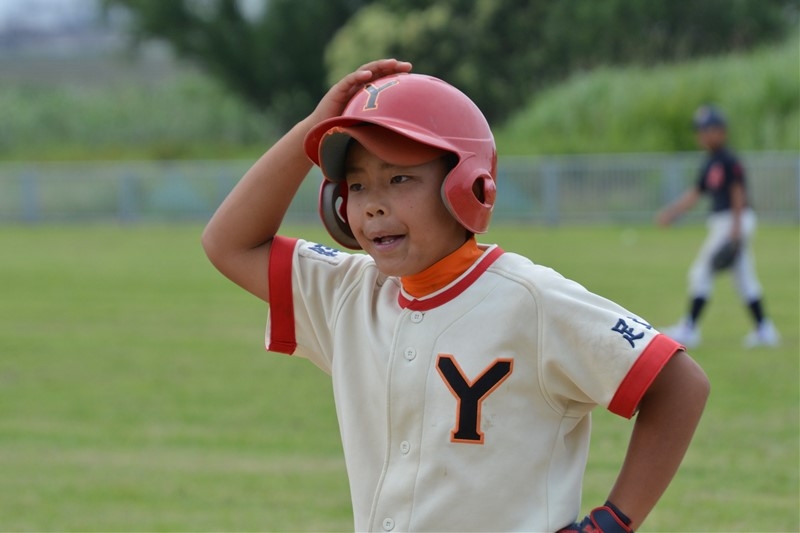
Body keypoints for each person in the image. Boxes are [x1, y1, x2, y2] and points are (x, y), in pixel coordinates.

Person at [202, 59, 710, 532]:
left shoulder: (531, 300)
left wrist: (612, 523)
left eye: (399, 178)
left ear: (466, 185)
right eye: (357, 186)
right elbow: (228, 243)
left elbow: (679, 384)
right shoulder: (348, 293)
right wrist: (311, 129)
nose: (373, 205)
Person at [657, 104, 780, 349]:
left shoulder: (728, 159)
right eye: (700, 130)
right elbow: (696, 193)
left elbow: (737, 192)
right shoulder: (710, 161)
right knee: (744, 278)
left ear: (721, 131)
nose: (702, 135)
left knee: (701, 273)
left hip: (732, 220)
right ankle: (764, 329)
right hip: (728, 222)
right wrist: (672, 212)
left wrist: (735, 229)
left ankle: (689, 328)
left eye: (707, 129)